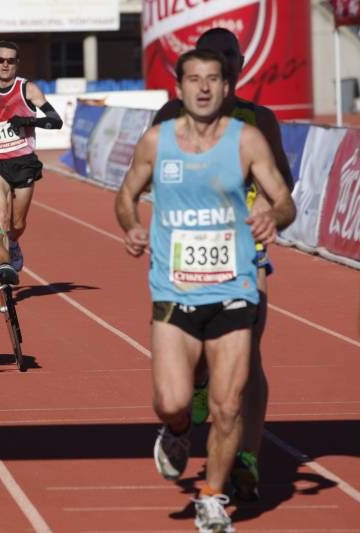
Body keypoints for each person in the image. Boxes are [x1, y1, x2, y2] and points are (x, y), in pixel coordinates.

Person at [115, 49, 295, 532]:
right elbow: (127, 194)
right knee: (173, 401)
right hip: (174, 289)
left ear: (225, 87)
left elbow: (285, 201)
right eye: (193, 79)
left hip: (234, 284)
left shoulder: (247, 140)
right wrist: (132, 226)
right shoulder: (157, 142)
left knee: (227, 404)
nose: (202, 88)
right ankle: (176, 433)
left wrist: (270, 216)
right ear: (179, 88)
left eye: (212, 79)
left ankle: (212, 496)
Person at [0, 40, 63, 272]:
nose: (5, 65)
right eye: (0, 60)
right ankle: (4, 267)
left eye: (10, 61)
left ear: (17, 63)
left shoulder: (28, 89)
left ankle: (15, 242)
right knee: (1, 215)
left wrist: (27, 120)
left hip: (24, 163)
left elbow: (56, 121)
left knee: (17, 223)